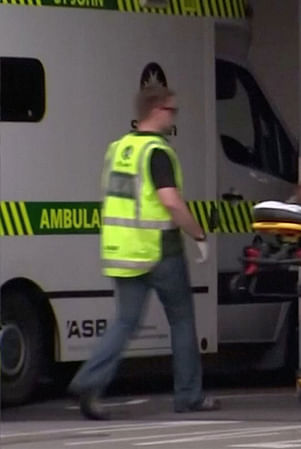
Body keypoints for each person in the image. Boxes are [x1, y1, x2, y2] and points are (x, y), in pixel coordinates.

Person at [68, 86, 220, 420]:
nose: (174, 117)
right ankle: (188, 397)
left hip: (123, 251)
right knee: (181, 321)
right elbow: (169, 201)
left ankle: (90, 379)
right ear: (157, 110)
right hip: (160, 251)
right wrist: (198, 235)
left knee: (125, 322)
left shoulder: (118, 149)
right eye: (172, 110)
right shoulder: (157, 152)